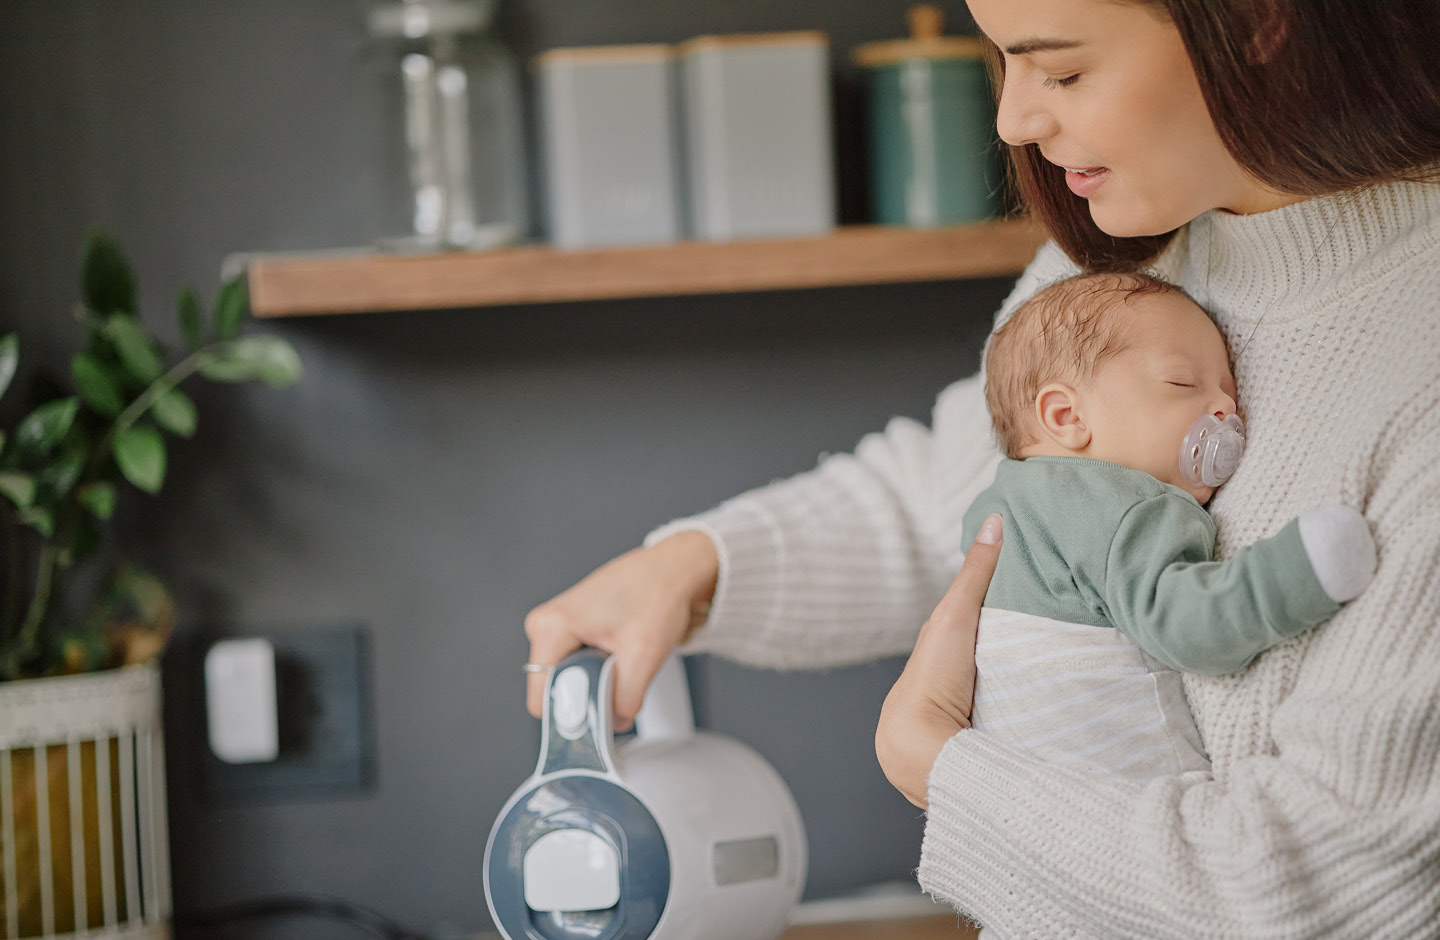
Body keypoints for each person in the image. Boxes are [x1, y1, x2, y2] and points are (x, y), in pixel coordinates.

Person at [524, 0, 1440, 934]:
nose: (1013, 120)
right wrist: (690, 568)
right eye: (1003, 59)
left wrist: (943, 769)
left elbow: (1331, 886)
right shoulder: (1134, 254)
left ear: (1259, 22)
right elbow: (971, 504)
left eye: (1064, 70)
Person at [962, 270, 1375, 782]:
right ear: (1067, 416)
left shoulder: (991, 509)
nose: (1228, 409)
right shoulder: (1126, 506)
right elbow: (1190, 628)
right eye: (1183, 383)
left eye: (1231, 390)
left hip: (1004, 780)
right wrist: (1303, 568)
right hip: (1126, 787)